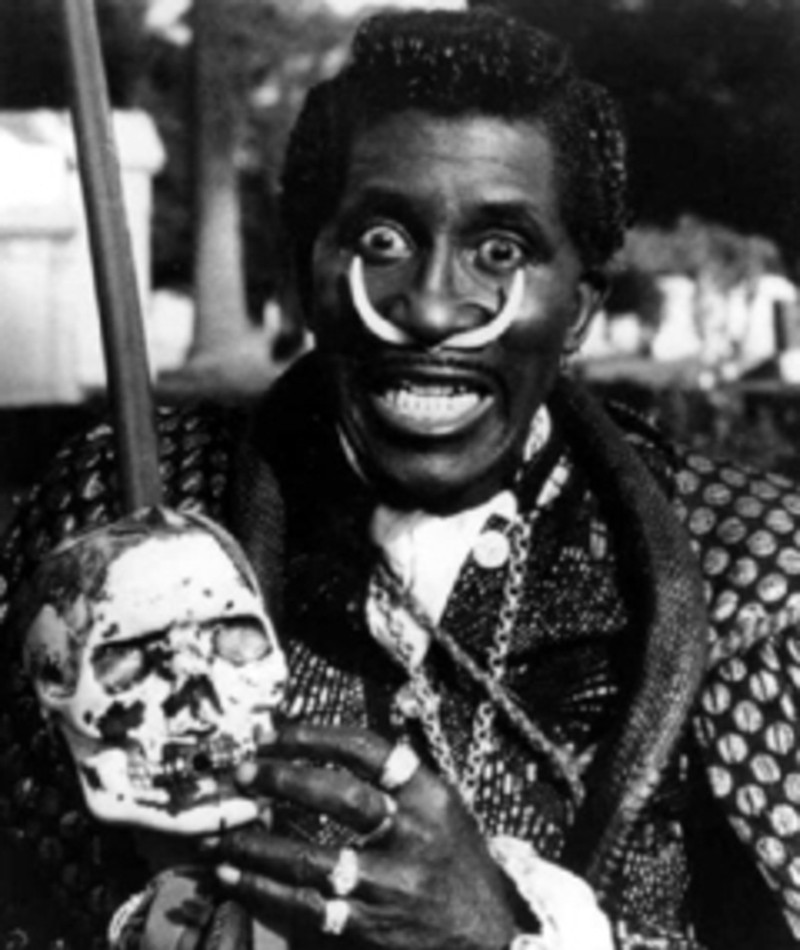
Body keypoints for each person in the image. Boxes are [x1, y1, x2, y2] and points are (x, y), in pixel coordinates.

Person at [1, 7, 800, 949]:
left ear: (580, 308)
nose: (429, 306)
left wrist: (506, 938)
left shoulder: (752, 576)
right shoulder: (119, 523)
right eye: (382, 240)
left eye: (500, 251)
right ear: (306, 272)